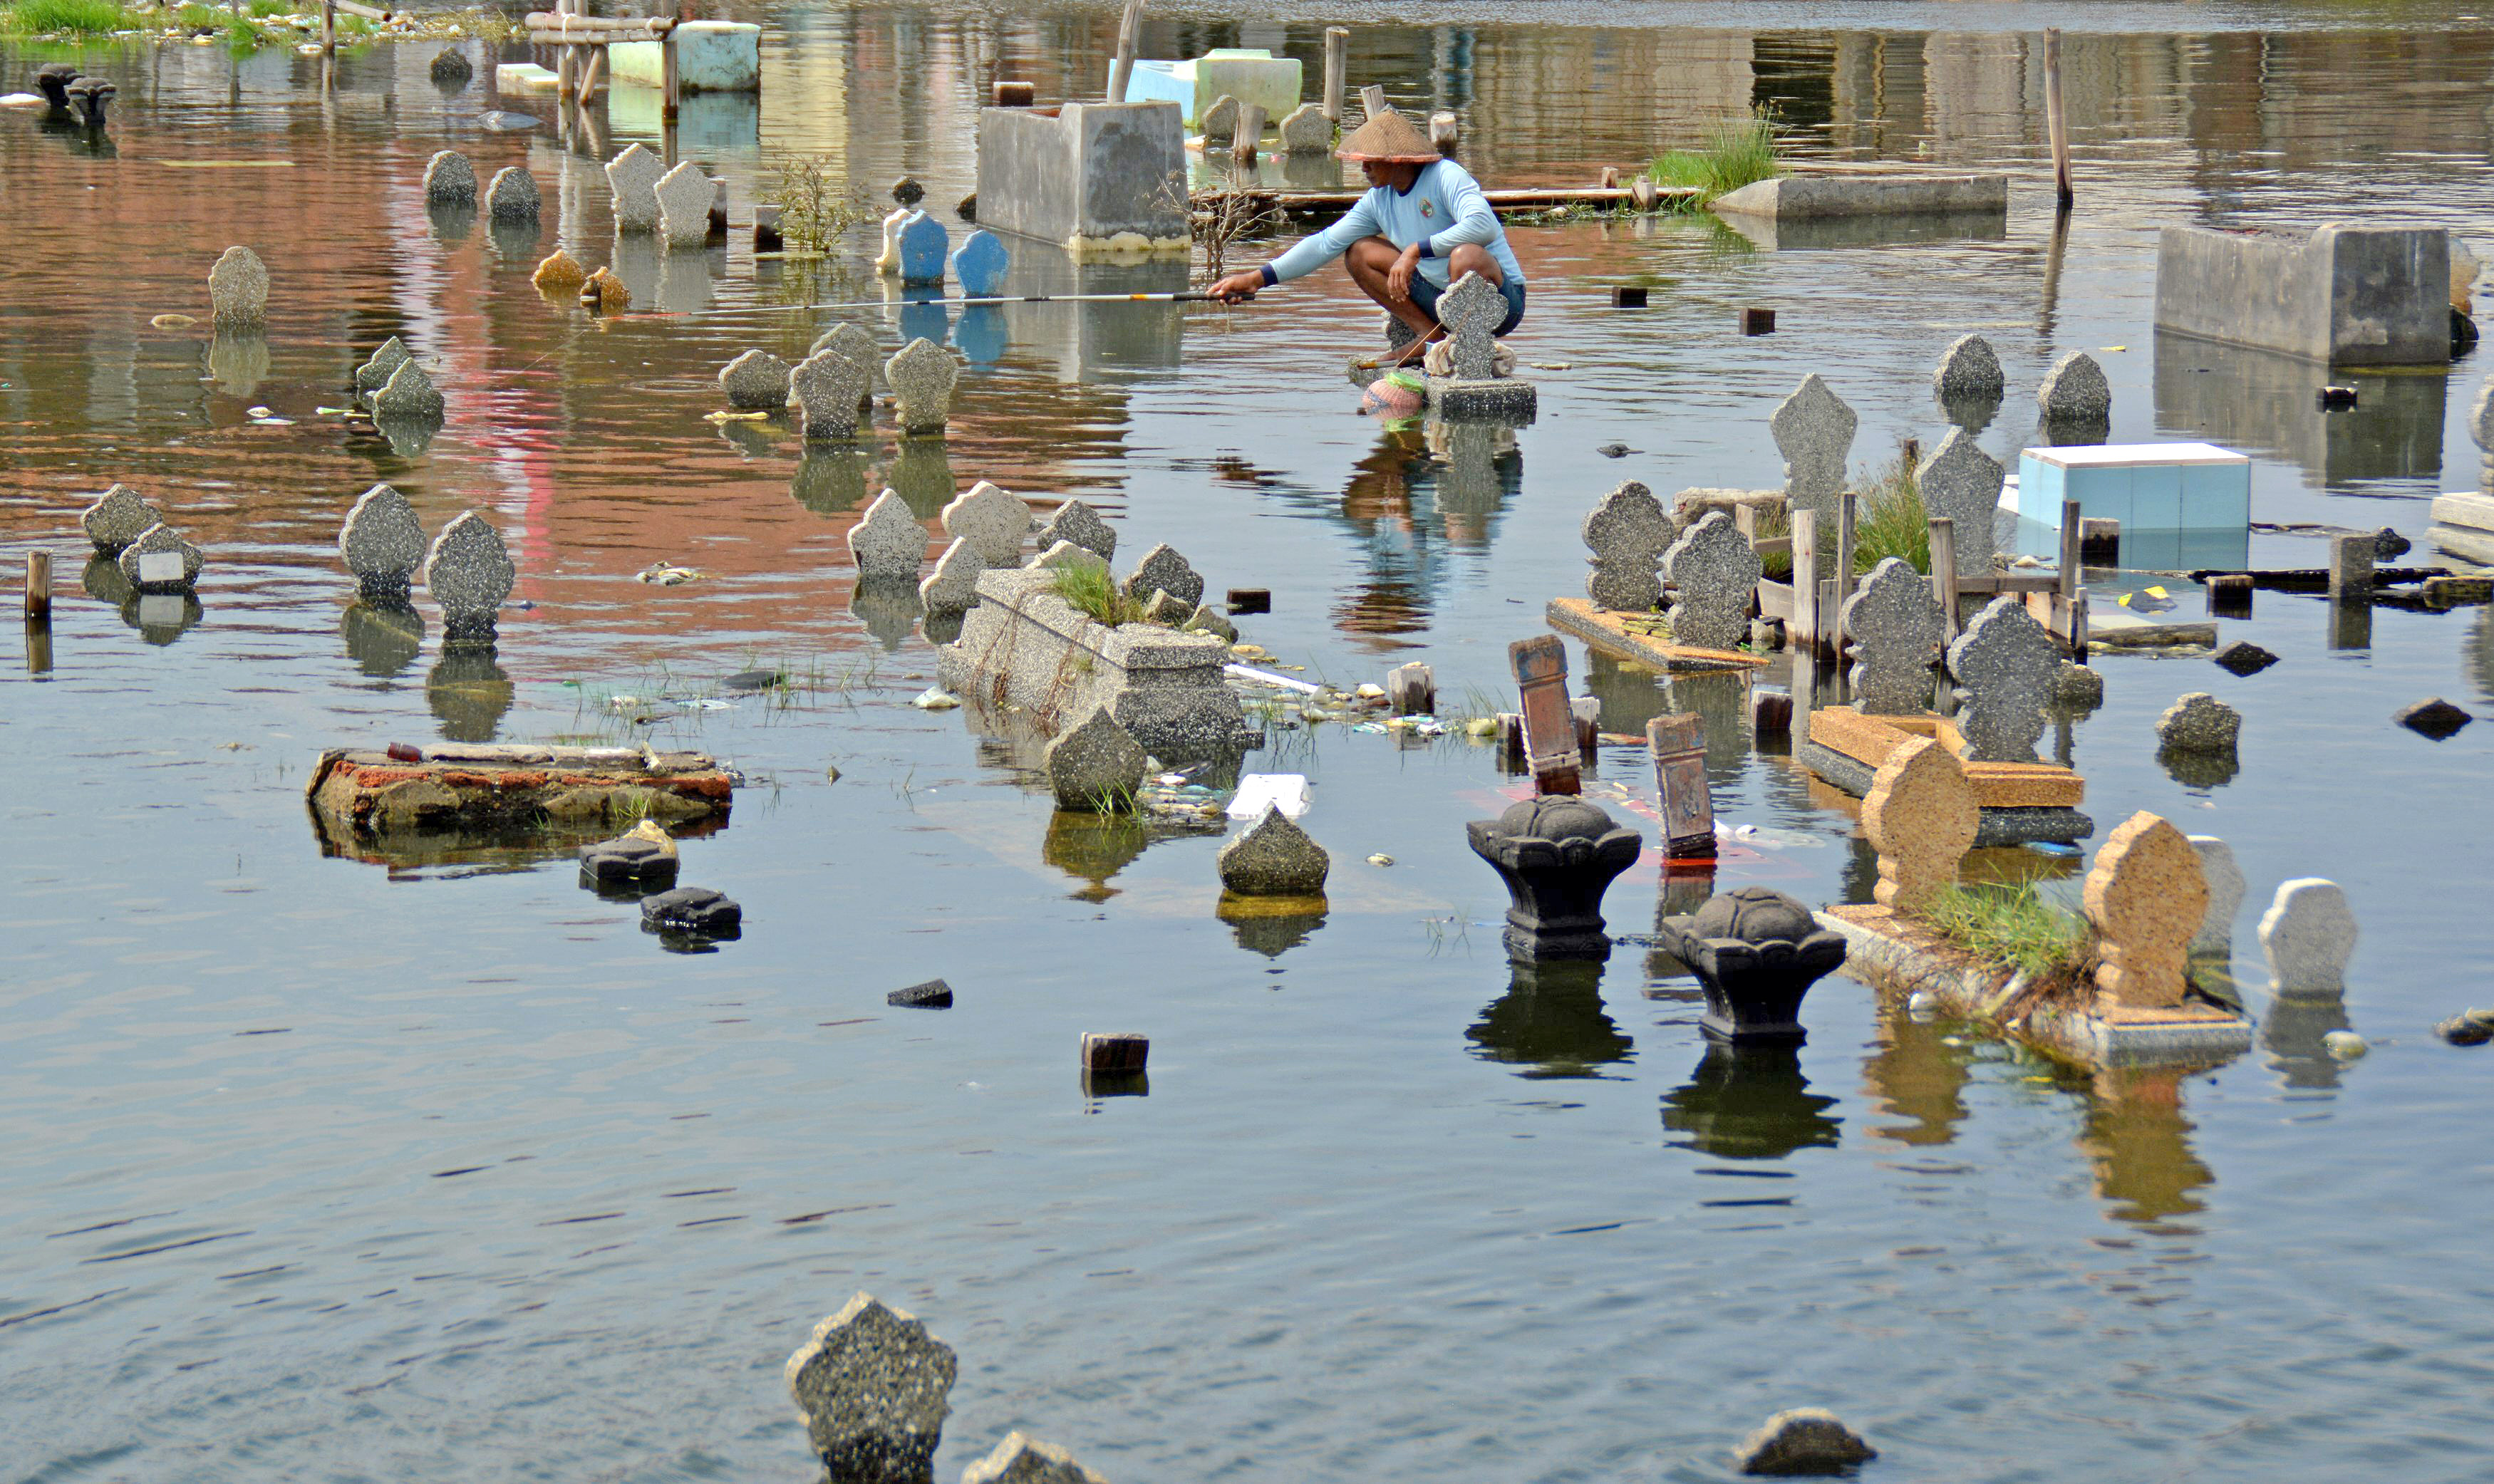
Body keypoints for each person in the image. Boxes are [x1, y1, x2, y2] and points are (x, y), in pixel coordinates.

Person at [1208, 109, 1526, 366]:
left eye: (1371, 160)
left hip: (1499, 302)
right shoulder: (1379, 198)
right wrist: (1256, 278)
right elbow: (1324, 243)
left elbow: (1484, 225)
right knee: (1359, 252)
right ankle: (1429, 336)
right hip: (1438, 299)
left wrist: (1416, 250)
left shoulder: (1446, 176)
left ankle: (1465, 344)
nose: (1364, 168)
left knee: (1465, 256)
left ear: (1397, 160)